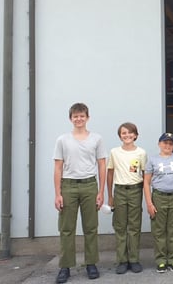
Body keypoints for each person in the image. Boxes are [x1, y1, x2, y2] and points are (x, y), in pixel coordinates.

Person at [53, 102, 107, 284]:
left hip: (89, 185)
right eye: (75, 116)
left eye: (82, 116)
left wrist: (101, 191)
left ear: (87, 118)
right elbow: (58, 167)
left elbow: (102, 165)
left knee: (91, 227)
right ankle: (65, 266)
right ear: (70, 119)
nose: (79, 119)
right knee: (66, 228)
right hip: (68, 185)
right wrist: (58, 193)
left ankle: (91, 263)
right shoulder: (62, 140)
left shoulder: (97, 139)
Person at [144, 132, 173, 273]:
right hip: (159, 197)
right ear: (159, 144)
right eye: (165, 143)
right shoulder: (152, 160)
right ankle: (161, 260)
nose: (167, 146)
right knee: (159, 230)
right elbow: (146, 182)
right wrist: (149, 203)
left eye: (170, 143)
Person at [107, 122, 147, 274]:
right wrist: (110, 196)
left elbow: (145, 174)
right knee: (120, 226)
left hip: (135, 190)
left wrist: (146, 195)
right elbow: (110, 173)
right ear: (120, 136)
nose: (127, 135)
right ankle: (122, 260)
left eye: (130, 133)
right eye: (124, 133)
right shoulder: (114, 152)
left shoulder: (141, 153)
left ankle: (134, 259)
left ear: (135, 135)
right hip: (120, 190)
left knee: (134, 226)